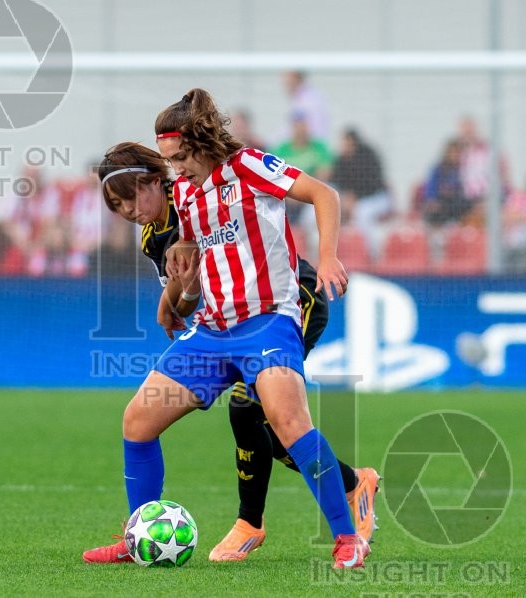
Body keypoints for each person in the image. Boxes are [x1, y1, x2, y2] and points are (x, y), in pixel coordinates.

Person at [83, 88, 369, 569]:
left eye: (179, 159)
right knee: (137, 420)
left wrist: (326, 256)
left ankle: (346, 538)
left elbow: (324, 194)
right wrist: (181, 290)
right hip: (213, 333)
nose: (174, 170)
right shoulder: (189, 196)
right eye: (169, 162)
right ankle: (139, 538)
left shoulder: (249, 166)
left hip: (267, 322)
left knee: (287, 420)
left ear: (199, 144)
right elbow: (192, 268)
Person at [329, 128, 391, 256]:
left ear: (352, 142)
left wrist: (355, 198)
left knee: (362, 214)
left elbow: (373, 184)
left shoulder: (368, 156)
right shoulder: (342, 159)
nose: (342, 146)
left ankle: (370, 255)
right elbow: (337, 181)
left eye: (345, 142)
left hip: (376, 197)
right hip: (354, 199)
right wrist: (346, 197)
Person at [421, 139, 474, 226]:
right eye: (453, 152)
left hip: (459, 203)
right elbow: (431, 188)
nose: (455, 155)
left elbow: (468, 189)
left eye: (458, 153)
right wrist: (432, 200)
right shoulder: (439, 169)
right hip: (443, 203)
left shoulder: (465, 169)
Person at [281, 70, 331, 143]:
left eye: (288, 81)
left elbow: (317, 130)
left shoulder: (310, 101)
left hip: (311, 147)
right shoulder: (297, 99)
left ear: (296, 79)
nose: (285, 84)